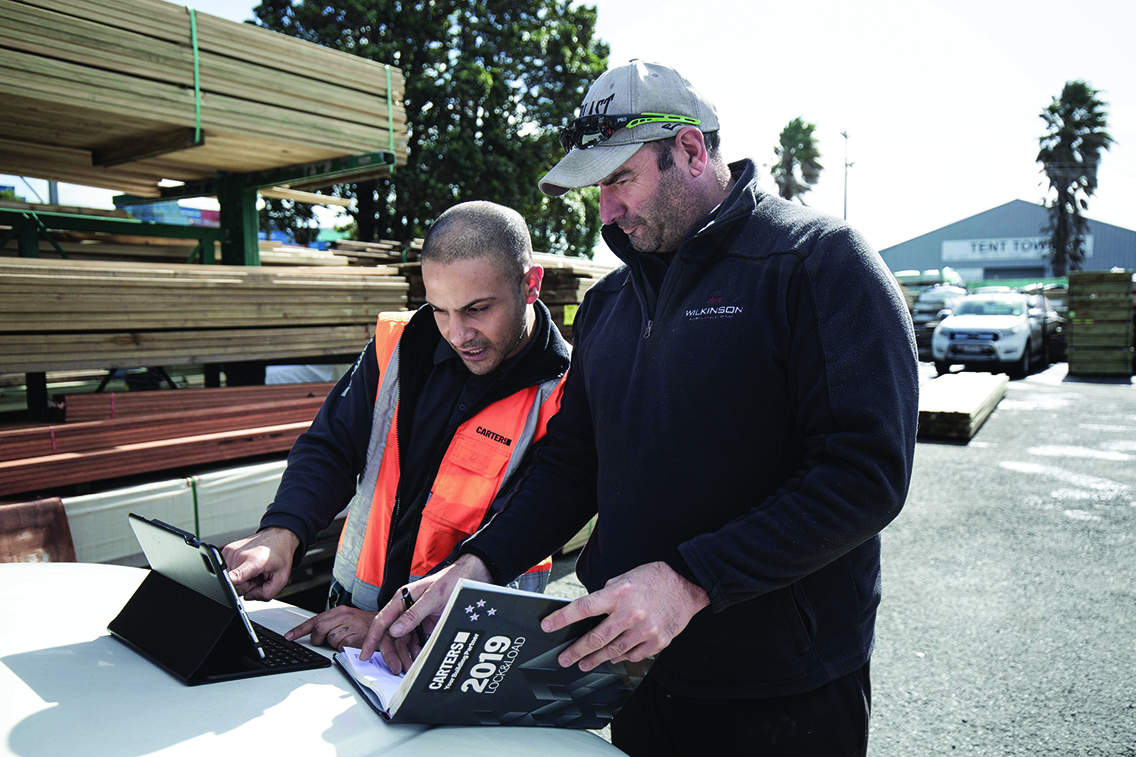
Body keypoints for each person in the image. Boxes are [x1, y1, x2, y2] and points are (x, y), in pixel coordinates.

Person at [362, 60, 919, 755]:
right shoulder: (609, 305)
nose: (607, 209)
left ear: (689, 149)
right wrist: (475, 565)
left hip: (781, 687)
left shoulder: (817, 264)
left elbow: (864, 474)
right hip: (630, 672)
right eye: (599, 187)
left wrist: (689, 579)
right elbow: (571, 464)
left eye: (620, 178)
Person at [222, 201, 570, 653]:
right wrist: (282, 533)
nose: (457, 333)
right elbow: (332, 447)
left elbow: (518, 532)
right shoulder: (399, 346)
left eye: (477, 309)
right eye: (440, 309)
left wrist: (393, 624)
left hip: (465, 640)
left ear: (531, 284)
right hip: (354, 614)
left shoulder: (566, 393)